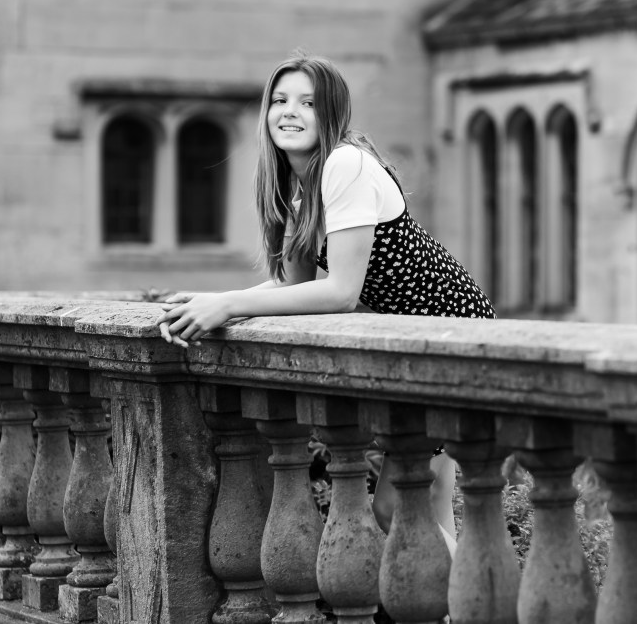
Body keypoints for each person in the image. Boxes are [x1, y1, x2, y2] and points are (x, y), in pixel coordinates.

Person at [154, 50, 496, 545]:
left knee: (399, 505)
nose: (289, 112)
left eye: (308, 102)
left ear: (331, 112)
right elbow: (293, 286)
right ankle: (462, 592)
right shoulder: (302, 188)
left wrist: (227, 307)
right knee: (425, 503)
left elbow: (340, 293)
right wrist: (214, 299)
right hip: (420, 337)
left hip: (450, 332)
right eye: (280, 100)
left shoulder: (345, 165)